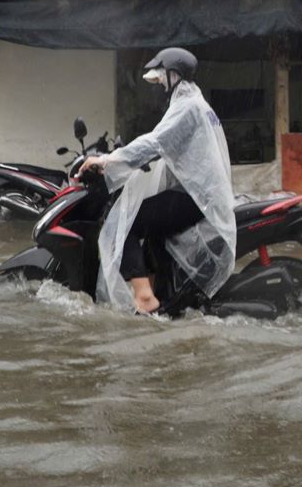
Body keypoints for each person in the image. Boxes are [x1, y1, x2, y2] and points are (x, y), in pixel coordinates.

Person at [78, 48, 235, 314]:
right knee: (154, 230)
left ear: (174, 75)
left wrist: (106, 161)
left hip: (194, 196)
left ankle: (145, 299)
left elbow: (155, 141)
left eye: (161, 77)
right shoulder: (194, 103)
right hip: (201, 194)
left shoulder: (187, 107)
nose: (159, 84)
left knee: (128, 223)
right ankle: (163, 294)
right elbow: (167, 147)